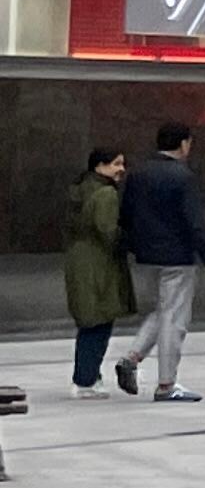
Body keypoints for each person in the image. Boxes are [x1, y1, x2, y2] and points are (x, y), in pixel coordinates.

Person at [103, 120, 205, 402]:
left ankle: (132, 359)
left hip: (146, 256)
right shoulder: (183, 177)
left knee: (163, 310)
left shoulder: (138, 174)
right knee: (174, 319)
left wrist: (131, 247)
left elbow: (125, 215)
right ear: (183, 144)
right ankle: (167, 384)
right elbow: (196, 223)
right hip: (177, 257)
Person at [63, 145, 130, 393]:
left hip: (79, 261)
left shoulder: (80, 189)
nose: (121, 169)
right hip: (98, 265)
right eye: (116, 164)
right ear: (100, 166)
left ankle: (88, 376)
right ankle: (86, 380)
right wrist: (129, 240)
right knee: (99, 322)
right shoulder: (105, 194)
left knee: (88, 322)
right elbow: (108, 231)